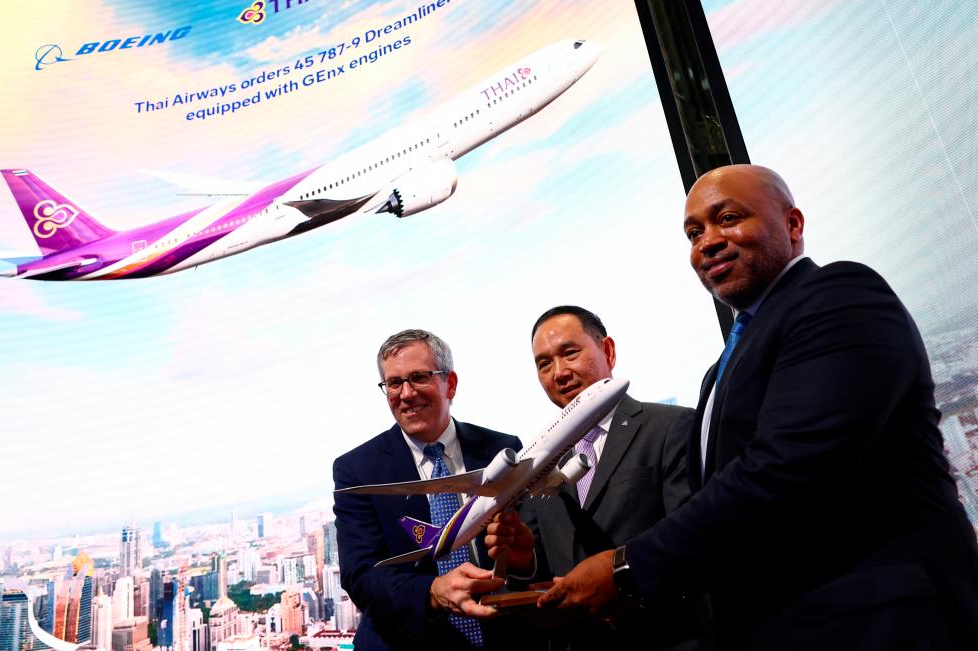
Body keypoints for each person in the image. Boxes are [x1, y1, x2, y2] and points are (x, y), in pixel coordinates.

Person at [537, 165, 978, 650]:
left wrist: (628, 567)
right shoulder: (718, 373)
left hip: (882, 624)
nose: (707, 242)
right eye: (693, 232)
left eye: (727, 218)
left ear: (793, 224)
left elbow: (787, 469)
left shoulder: (839, 296)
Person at [485, 306, 700, 650]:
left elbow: (695, 538)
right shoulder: (539, 461)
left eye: (570, 353)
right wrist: (525, 559)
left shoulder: (670, 427)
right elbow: (542, 563)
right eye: (544, 364)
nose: (559, 372)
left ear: (608, 351)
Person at [333, 329, 523, 650]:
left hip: (501, 634)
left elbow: (531, 543)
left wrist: (523, 558)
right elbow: (361, 575)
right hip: (406, 640)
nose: (406, 394)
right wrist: (432, 591)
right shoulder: (358, 471)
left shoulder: (501, 449)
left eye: (419, 377)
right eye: (394, 383)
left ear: (450, 384)